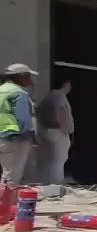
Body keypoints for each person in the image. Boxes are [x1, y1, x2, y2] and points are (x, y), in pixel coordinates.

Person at [0, 64, 38, 195]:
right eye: (28, 76)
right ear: (21, 76)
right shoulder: (18, 93)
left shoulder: (1, 90)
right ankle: (6, 204)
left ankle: (7, 202)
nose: (30, 80)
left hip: (2, 137)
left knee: (6, 172)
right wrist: (32, 138)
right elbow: (23, 119)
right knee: (12, 176)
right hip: (14, 137)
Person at [35, 75, 73, 186]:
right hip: (57, 131)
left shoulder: (49, 96)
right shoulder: (59, 96)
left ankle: (49, 182)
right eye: (69, 84)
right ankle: (56, 183)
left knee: (52, 159)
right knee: (59, 159)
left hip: (47, 131)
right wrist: (64, 129)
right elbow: (59, 111)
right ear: (65, 84)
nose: (70, 87)